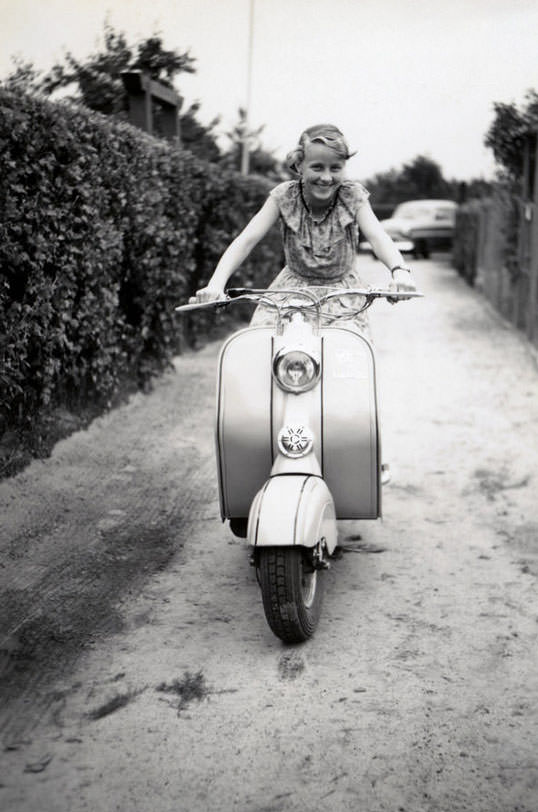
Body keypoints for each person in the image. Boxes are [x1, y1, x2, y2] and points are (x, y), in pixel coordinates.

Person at [191, 123, 417, 333]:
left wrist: (400, 272)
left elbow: (378, 237)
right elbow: (247, 239)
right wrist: (216, 284)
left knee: (349, 355)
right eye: (317, 167)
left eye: (335, 168)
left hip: (343, 296)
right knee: (262, 341)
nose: (327, 177)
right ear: (300, 165)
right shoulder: (284, 196)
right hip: (291, 293)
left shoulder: (352, 196)